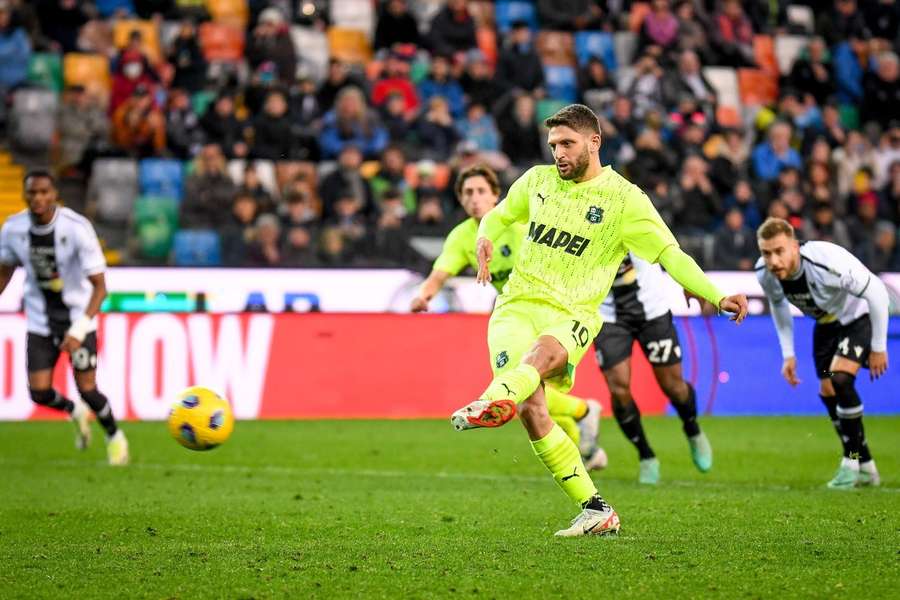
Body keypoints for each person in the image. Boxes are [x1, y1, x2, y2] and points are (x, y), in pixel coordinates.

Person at [451, 104, 748, 537]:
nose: (559, 153)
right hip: (513, 306)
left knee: (536, 364)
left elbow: (671, 255)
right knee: (532, 410)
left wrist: (716, 295)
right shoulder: (537, 181)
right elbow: (500, 215)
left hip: (573, 314)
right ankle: (595, 509)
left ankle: (487, 401)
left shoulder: (626, 201)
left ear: (595, 142)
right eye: (554, 145)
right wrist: (484, 238)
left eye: (568, 144)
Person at [411, 165, 606, 467]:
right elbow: (440, 272)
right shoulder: (463, 236)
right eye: (467, 193)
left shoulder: (520, 222)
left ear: (496, 196)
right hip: (513, 312)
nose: (474, 198)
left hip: (550, 307)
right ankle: (584, 437)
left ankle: (582, 415)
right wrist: (423, 296)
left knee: (523, 389)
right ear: (461, 200)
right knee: (522, 391)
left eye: (480, 192)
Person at [0, 171, 129, 465]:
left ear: (55, 194)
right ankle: (74, 411)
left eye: (44, 192)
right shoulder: (13, 229)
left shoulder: (77, 228)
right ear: (25, 195)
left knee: (88, 389)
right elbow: (5, 271)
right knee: (40, 392)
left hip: (77, 320)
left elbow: (100, 288)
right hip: (39, 321)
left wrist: (79, 329)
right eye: (32, 193)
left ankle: (114, 436)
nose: (37, 199)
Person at [756, 217, 888, 488]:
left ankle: (850, 462)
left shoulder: (825, 263)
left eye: (779, 251)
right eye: (766, 253)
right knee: (828, 391)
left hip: (858, 318)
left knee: (840, 379)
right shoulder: (765, 273)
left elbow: (876, 292)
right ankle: (867, 467)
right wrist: (788, 353)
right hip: (827, 326)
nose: (773, 260)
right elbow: (779, 307)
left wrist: (878, 346)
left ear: (794, 246)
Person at [593, 253, 712, 484]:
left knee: (674, 386)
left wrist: (690, 282)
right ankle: (646, 455)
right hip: (607, 317)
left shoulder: (637, 217)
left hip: (652, 311)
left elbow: (666, 247)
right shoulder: (580, 222)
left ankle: (692, 428)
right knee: (618, 389)